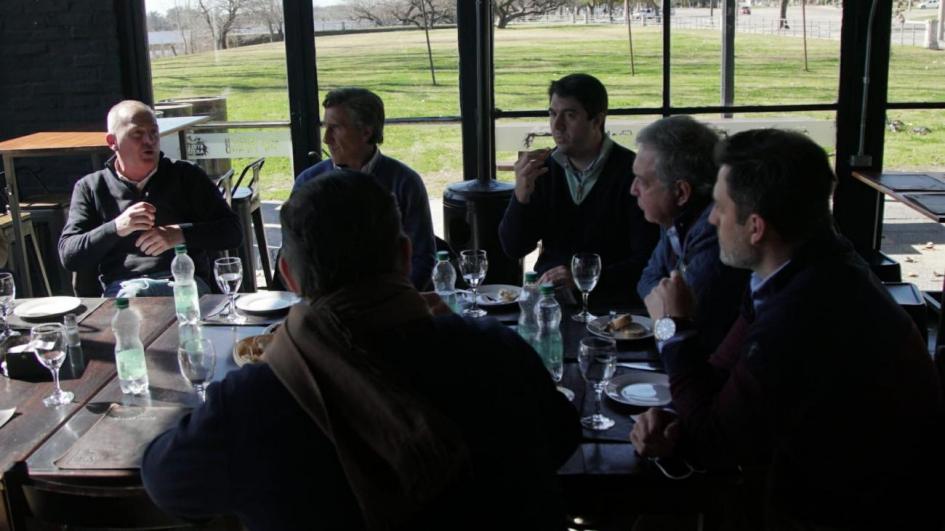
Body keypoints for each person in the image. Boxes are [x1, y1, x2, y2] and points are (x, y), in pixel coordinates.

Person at [142, 170, 580, 531]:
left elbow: (165, 483)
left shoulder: (253, 398)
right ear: (405, 257)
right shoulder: (499, 354)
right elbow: (562, 439)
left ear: (290, 278)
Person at [630, 129, 945, 529]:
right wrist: (676, 420)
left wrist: (671, 327)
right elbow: (719, 380)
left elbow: (716, 443)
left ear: (756, 228)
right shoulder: (791, 272)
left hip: (845, 509)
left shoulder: (805, 311)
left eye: (721, 209)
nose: (710, 219)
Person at [498, 73, 658, 307]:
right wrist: (520, 197)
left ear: (597, 120)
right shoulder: (544, 171)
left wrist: (583, 277)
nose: (557, 125)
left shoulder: (631, 172)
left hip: (613, 306)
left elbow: (647, 260)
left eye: (570, 115)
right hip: (551, 301)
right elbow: (514, 248)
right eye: (553, 114)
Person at [58, 100, 241, 297]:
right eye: (137, 134)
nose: (149, 141)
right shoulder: (92, 187)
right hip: (123, 289)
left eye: (153, 132)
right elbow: (70, 256)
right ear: (113, 142)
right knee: (135, 296)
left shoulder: (186, 176)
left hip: (184, 283)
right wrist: (117, 227)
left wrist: (179, 234)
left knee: (139, 299)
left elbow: (233, 232)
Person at [292, 87, 436, 289]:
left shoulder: (405, 183)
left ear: (366, 132)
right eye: (326, 127)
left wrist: (388, 306)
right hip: (330, 309)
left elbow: (422, 258)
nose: (326, 139)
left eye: (335, 128)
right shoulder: (308, 182)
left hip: (392, 307)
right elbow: (295, 257)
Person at [631, 115, 748, 350]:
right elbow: (646, 279)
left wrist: (665, 317)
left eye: (642, 182)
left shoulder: (714, 231)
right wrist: (665, 307)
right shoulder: (675, 218)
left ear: (681, 192)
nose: (633, 190)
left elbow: (683, 321)